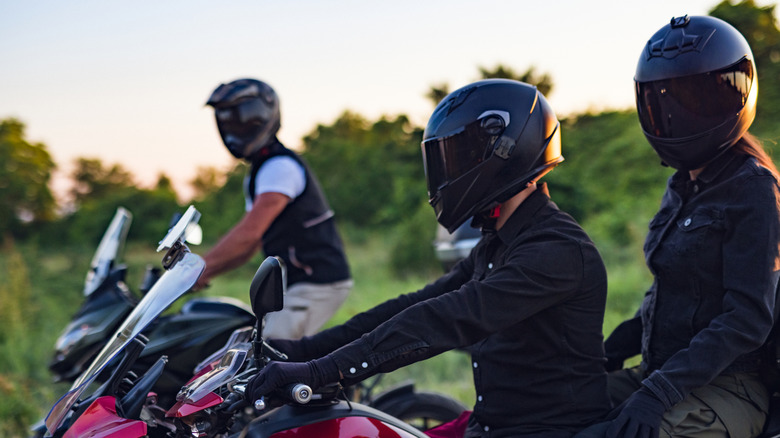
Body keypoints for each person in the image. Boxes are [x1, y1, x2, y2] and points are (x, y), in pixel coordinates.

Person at [245, 79, 612, 437]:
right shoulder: (499, 241)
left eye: (461, 156)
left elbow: (447, 318)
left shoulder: (556, 249)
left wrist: (325, 371)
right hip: (489, 425)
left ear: (504, 153)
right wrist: (304, 350)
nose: (448, 170)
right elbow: (420, 302)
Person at [581, 15, 780, 438]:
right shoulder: (680, 185)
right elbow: (672, 291)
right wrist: (613, 349)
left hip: (726, 387)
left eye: (695, 101)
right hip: (660, 374)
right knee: (547, 407)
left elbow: (747, 318)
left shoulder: (753, 190)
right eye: (664, 101)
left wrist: (657, 394)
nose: (676, 116)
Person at [196, 78, 352, 340]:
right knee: (238, 345)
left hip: (315, 283)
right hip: (293, 283)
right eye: (227, 121)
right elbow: (250, 246)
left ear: (262, 117)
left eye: (241, 119)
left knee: (269, 351)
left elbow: (249, 233)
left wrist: (202, 267)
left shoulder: (279, 167)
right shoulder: (261, 169)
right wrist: (207, 271)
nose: (234, 127)